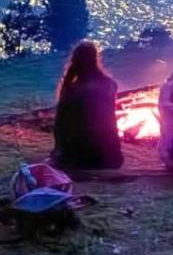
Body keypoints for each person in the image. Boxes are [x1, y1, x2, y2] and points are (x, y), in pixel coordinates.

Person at [50, 41, 123, 171]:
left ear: (74, 61)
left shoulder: (72, 89)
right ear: (96, 58)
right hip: (111, 157)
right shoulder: (110, 84)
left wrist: (59, 149)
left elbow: (60, 125)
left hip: (82, 157)